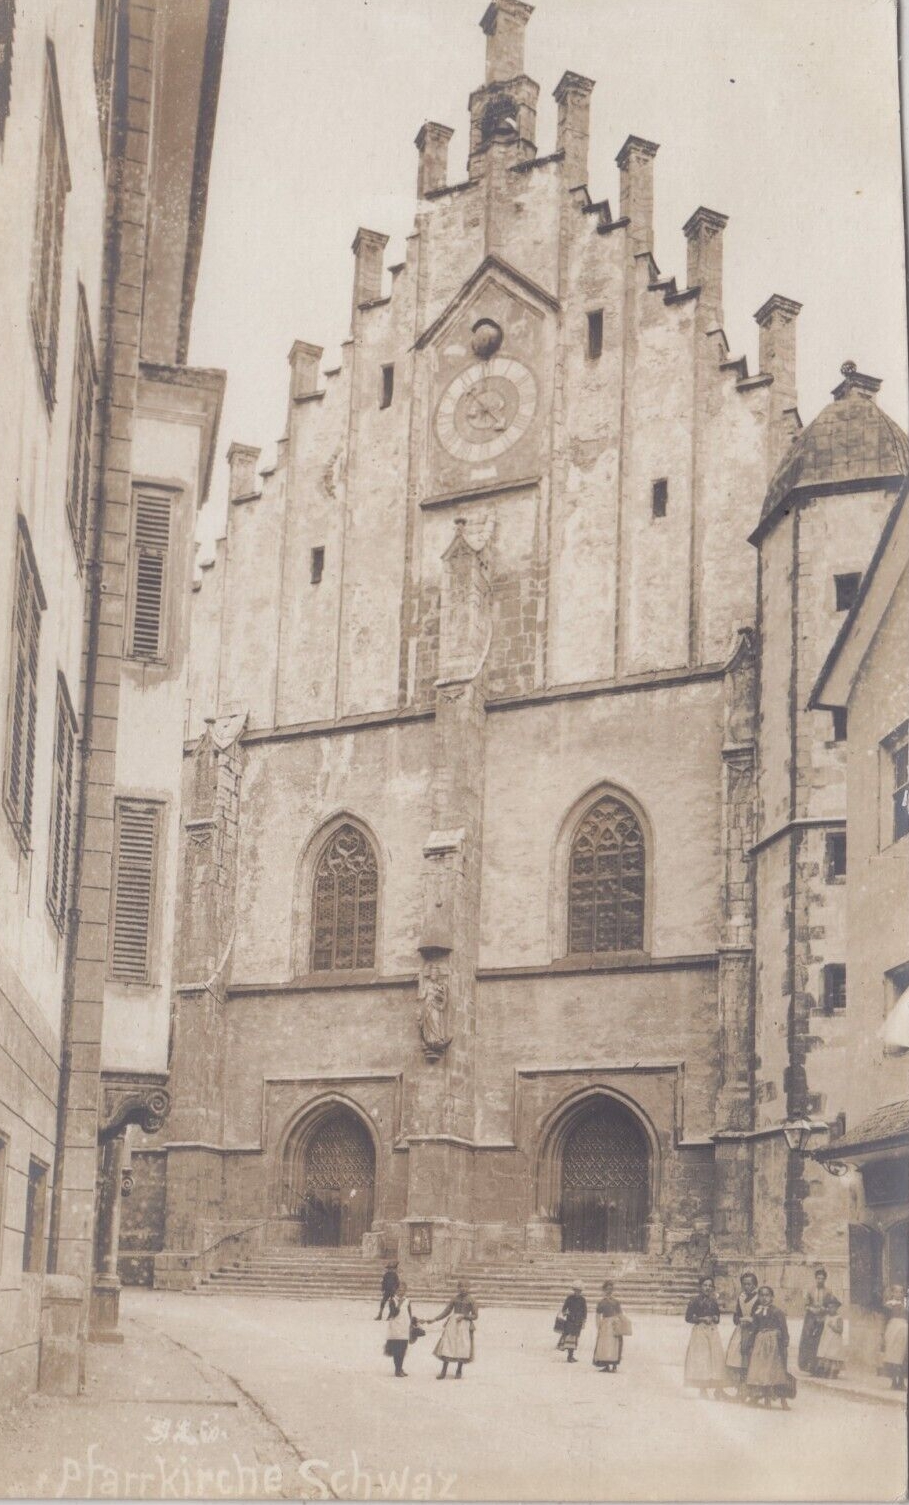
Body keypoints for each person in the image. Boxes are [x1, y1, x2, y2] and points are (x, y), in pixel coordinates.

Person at [745, 1285, 795, 1409]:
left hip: (774, 1345)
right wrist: (750, 1344)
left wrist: (785, 1341)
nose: (764, 1298)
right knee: (763, 1371)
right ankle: (766, 1399)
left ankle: (783, 1401)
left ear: (772, 1297)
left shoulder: (777, 1312)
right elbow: (754, 1329)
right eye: (761, 1295)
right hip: (761, 1344)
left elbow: (784, 1328)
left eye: (767, 1295)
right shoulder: (757, 1312)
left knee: (778, 1371)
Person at [684, 1276, 730, 1399]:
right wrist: (701, 1319)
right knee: (703, 1360)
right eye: (705, 1285)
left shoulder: (713, 1301)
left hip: (712, 1331)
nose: (707, 1288)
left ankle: (718, 1389)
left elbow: (718, 1317)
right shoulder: (694, 1301)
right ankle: (702, 1389)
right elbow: (688, 1318)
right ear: (700, 1287)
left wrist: (715, 1318)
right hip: (700, 1331)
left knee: (716, 1358)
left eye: (710, 1286)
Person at [428, 1281, 478, 1378]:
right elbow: (447, 1311)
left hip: (464, 1326)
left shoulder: (472, 1300)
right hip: (453, 1324)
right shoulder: (455, 1298)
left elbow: (475, 1316)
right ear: (458, 1288)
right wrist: (435, 1319)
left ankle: (459, 1371)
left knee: (462, 1346)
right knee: (448, 1344)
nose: (463, 1288)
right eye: (461, 1286)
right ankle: (443, 1371)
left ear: (469, 1288)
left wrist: (464, 1316)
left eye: (465, 1286)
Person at [725, 1271, 760, 1397]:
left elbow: (759, 1316)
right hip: (741, 1330)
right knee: (736, 1356)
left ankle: (751, 1390)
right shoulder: (741, 1297)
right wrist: (737, 1319)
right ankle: (740, 1388)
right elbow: (737, 1313)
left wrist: (751, 1320)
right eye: (744, 1284)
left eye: (750, 1284)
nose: (747, 1287)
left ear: (755, 1285)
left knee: (749, 1358)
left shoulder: (758, 1298)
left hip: (752, 1331)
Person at [797, 1266, 828, 1374]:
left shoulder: (828, 1291)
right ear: (815, 1279)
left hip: (823, 1319)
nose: (820, 1280)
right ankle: (808, 1365)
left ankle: (820, 1367)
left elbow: (832, 1305)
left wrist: (824, 1309)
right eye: (818, 1278)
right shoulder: (810, 1290)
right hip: (810, 1319)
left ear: (825, 1279)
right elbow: (805, 1305)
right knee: (808, 1341)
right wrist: (811, 1309)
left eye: (822, 1278)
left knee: (820, 1342)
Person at [593, 1281, 624, 1372]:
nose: (609, 1291)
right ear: (604, 1290)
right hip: (605, 1324)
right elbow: (598, 1315)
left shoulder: (616, 1302)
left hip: (614, 1324)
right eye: (607, 1289)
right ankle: (606, 1365)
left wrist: (621, 1323)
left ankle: (614, 1366)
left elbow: (620, 1314)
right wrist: (599, 1325)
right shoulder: (601, 1302)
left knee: (615, 1344)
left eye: (611, 1289)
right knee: (605, 1345)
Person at [881, 1285, 908, 1391]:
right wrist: (882, 1333)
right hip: (892, 1330)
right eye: (896, 1292)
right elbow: (885, 1320)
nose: (898, 1294)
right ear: (892, 1293)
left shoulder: (905, 1305)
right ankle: (894, 1381)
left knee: (902, 1356)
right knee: (893, 1356)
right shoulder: (889, 1305)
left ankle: (901, 1381)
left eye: (901, 1292)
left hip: (903, 1331)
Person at [384, 1281, 412, 1377]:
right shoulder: (392, 1300)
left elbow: (409, 1313)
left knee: (403, 1349)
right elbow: (393, 1313)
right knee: (397, 1349)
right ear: (395, 1290)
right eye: (399, 1289)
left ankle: (400, 1368)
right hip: (396, 1327)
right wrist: (399, 1304)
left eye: (403, 1290)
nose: (401, 1291)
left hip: (404, 1327)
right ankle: (397, 1370)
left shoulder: (408, 1301)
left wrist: (412, 1323)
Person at [814, 1293, 845, 1379]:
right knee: (825, 1354)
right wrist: (820, 1312)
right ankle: (825, 1372)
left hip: (834, 1340)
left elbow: (840, 1330)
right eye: (829, 1307)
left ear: (836, 1308)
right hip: (826, 1339)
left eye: (833, 1307)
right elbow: (819, 1321)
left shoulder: (838, 1318)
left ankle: (833, 1373)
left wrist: (833, 1327)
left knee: (833, 1355)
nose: (831, 1309)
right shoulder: (827, 1316)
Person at [557, 1282, 587, 1363]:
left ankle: (571, 1355)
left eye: (579, 1291)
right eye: (576, 1290)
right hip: (570, 1320)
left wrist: (584, 1321)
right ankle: (570, 1356)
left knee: (575, 1338)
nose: (577, 1292)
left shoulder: (583, 1300)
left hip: (578, 1321)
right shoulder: (569, 1298)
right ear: (574, 1290)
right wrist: (566, 1313)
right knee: (570, 1338)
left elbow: (585, 1311)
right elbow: (564, 1309)